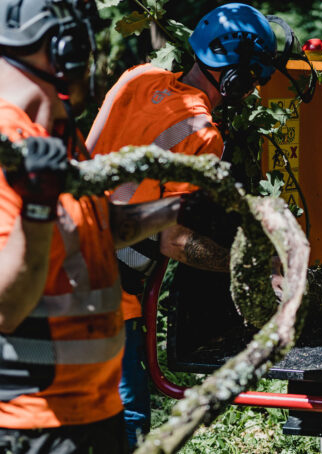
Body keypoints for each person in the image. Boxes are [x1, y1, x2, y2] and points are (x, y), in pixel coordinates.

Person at [85, 3, 316, 449]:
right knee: (125, 422)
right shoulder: (201, 132)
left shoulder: (136, 77)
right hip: (106, 291)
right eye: (254, 77)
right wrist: (252, 268)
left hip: (60, 255)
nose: (252, 89)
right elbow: (175, 242)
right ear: (236, 77)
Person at [0, 0, 210, 452]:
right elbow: (5, 306)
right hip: (33, 421)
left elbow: (97, 227)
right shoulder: (11, 145)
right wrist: (36, 206)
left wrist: (175, 210)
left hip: (95, 406)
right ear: (65, 47)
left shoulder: (58, 133)